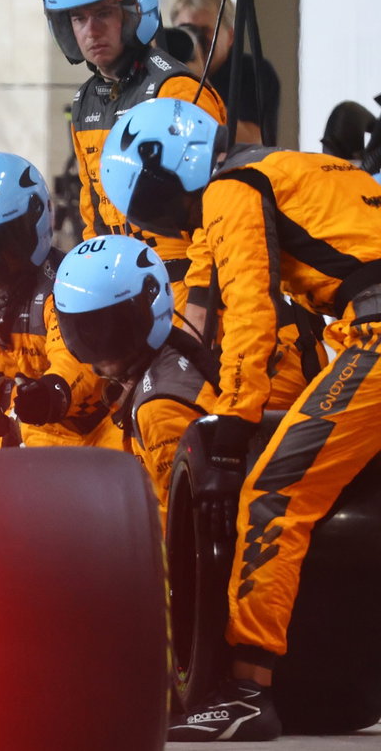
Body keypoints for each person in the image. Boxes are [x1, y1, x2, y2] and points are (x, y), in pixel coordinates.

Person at [102, 96, 381, 741]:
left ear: (165, 171)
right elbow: (219, 288)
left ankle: (247, 691)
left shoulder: (231, 189)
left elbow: (252, 312)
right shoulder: (298, 168)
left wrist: (232, 424)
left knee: (277, 492)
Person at [42, 0, 225, 307]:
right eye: (78, 18)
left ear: (133, 12)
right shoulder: (84, 102)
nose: (90, 31)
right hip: (123, 292)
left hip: (187, 287)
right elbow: (92, 213)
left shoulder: (177, 91)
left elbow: (223, 213)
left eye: (103, 14)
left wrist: (202, 301)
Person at [0, 152, 121, 448]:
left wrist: (52, 392)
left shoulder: (68, 282)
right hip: (17, 431)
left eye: (0, 241)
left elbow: (77, 359)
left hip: (91, 434)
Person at [52, 233, 220, 522]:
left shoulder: (158, 409)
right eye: (84, 331)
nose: (99, 346)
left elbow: (183, 530)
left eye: (111, 327)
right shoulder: (171, 352)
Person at [172, 0, 281, 145]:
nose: (196, 40)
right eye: (186, 30)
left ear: (230, 36)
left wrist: (199, 83)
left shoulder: (254, 73)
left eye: (204, 31)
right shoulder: (166, 70)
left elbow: (253, 141)